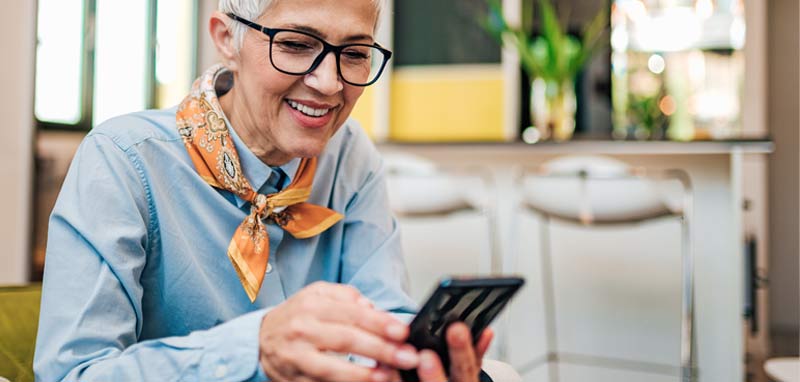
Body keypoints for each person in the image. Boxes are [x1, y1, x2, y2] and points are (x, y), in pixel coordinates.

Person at [33, 0, 495, 381]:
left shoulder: (350, 156)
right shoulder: (123, 160)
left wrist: (413, 358)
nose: (329, 84)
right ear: (224, 38)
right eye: (295, 45)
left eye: (354, 54)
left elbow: (385, 315)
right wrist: (254, 349)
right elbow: (74, 374)